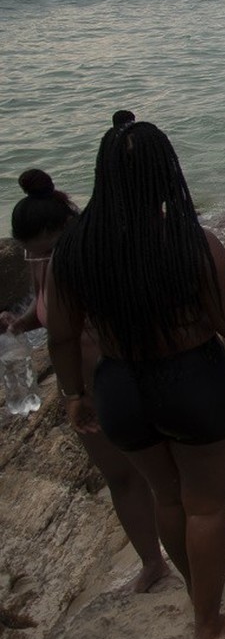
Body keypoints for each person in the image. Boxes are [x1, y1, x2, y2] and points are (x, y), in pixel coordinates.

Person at [48, 121, 225, 639]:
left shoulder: (74, 249)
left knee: (167, 497)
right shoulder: (192, 243)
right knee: (205, 505)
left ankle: (200, 592)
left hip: (120, 388)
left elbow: (61, 335)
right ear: (166, 172)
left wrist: (74, 395)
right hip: (193, 381)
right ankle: (208, 623)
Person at [3, 169, 171, 595]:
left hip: (126, 378)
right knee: (121, 477)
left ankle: (201, 552)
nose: (39, 259)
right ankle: (153, 562)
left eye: (44, 250)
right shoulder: (43, 262)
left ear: (64, 230)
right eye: (31, 253)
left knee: (167, 475)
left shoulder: (98, 257)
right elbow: (46, 314)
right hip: (85, 389)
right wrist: (20, 324)